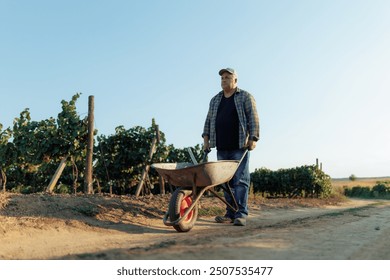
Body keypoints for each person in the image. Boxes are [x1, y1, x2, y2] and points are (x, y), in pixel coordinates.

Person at [202, 67, 259, 226]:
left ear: (235, 80)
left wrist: (253, 138)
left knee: (240, 180)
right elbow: (208, 121)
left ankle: (241, 214)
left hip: (239, 146)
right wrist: (206, 141)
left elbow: (253, 118)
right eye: (222, 78)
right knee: (225, 182)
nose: (224, 80)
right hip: (222, 147)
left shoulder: (245, 97)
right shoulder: (215, 100)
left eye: (228, 77)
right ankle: (230, 213)